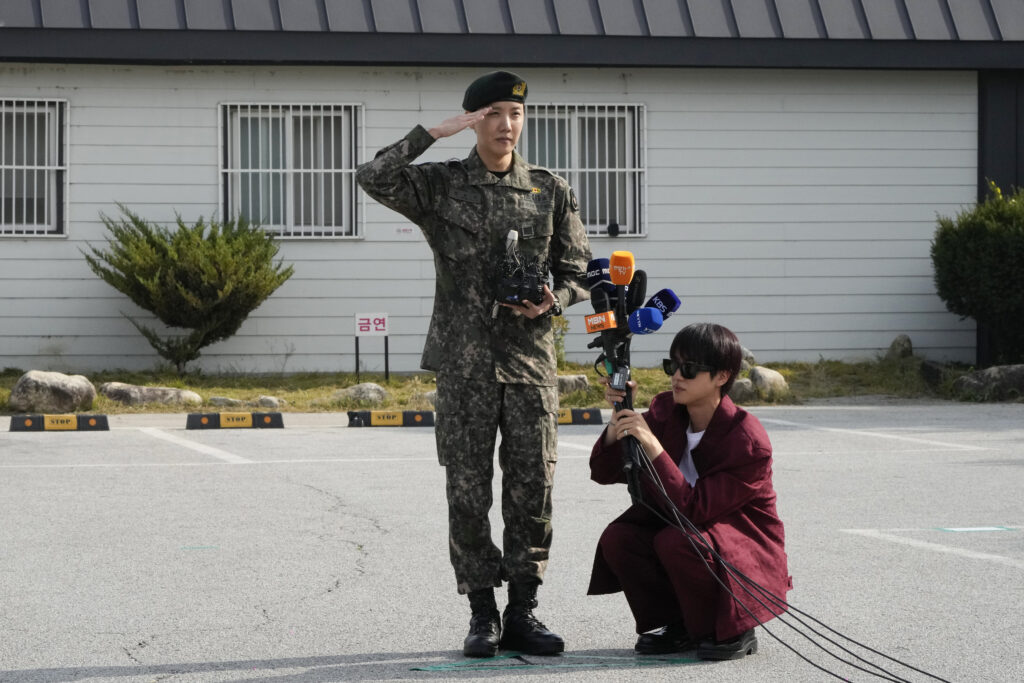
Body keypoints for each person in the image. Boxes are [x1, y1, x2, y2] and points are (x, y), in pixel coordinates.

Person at [355, 71, 591, 658]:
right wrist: (432, 134)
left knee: (532, 489)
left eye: (514, 113)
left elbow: (579, 270)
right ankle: (482, 611)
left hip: (530, 364)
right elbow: (372, 177)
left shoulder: (549, 189)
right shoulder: (441, 187)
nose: (505, 125)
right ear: (472, 120)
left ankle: (524, 610)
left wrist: (553, 300)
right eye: (491, 113)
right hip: (464, 367)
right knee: (467, 492)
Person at [587, 323, 792, 660]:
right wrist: (617, 419)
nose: (677, 376)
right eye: (673, 365)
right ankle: (676, 625)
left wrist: (651, 444)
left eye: (690, 369)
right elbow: (603, 471)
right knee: (619, 537)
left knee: (676, 540)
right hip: (692, 534)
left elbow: (693, 510)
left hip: (742, 546)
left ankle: (734, 627)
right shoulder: (665, 411)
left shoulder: (747, 441)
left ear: (722, 377)